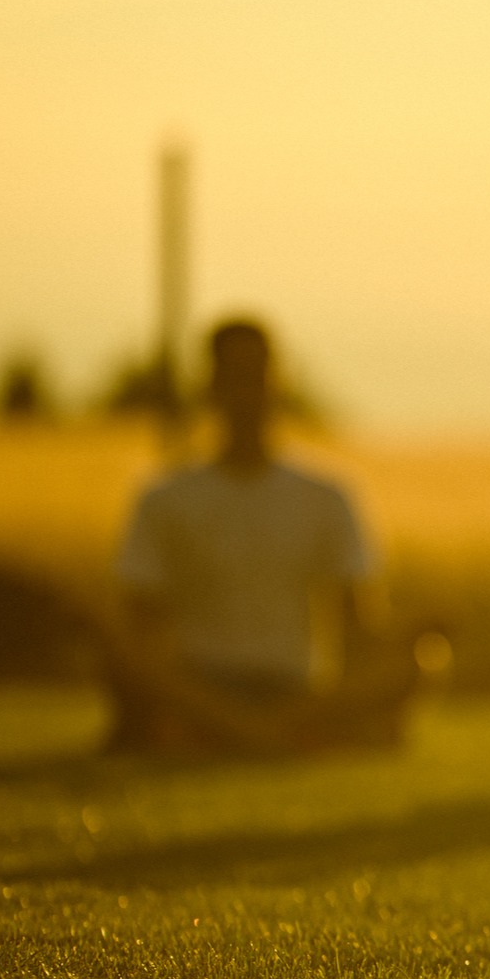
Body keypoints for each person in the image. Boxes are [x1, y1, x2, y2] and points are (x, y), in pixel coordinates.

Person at [101, 319, 420, 755]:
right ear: (212, 385)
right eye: (235, 375)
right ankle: (280, 732)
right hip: (200, 683)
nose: (248, 390)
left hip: (296, 685)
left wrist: (411, 637)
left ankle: (231, 732)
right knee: (119, 654)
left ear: (278, 383)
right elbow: (138, 628)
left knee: (422, 660)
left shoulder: (326, 495)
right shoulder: (165, 497)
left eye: (257, 373)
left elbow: (359, 622)